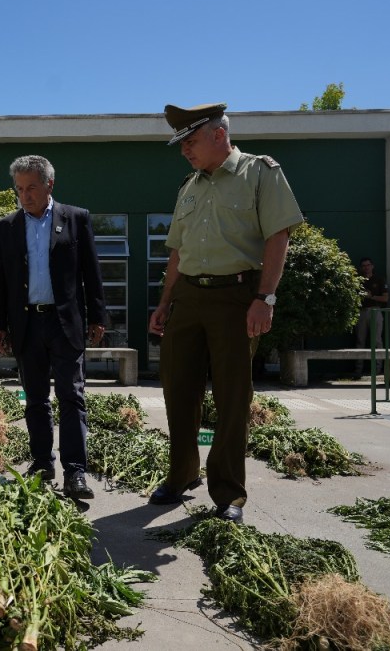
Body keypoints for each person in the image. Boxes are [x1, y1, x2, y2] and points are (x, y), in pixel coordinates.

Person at [148, 103, 304, 524]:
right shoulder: (190, 186)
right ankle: (181, 475)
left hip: (237, 299)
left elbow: (278, 236)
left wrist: (265, 298)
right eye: (181, 144)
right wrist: (165, 302)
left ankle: (229, 493)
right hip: (189, 300)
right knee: (178, 390)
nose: (185, 151)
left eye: (191, 141)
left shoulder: (260, 172)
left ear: (219, 134)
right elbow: (178, 251)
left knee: (233, 398)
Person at [0, 155, 106, 500]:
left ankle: (75, 472)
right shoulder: (5, 227)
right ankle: (42, 464)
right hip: (26, 323)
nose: (25, 195)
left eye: (32, 188)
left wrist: (97, 317)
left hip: (64, 321)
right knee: (35, 399)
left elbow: (92, 272)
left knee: (72, 395)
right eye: (20, 189)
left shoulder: (75, 219)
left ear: (49, 185)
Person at [354, 257, 389, 377]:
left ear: (372, 266)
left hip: (375, 310)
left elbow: (385, 298)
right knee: (360, 340)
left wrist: (371, 296)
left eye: (368, 265)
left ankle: (378, 370)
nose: (366, 267)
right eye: (363, 266)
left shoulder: (379, 279)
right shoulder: (357, 280)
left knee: (377, 340)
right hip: (361, 312)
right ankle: (358, 370)